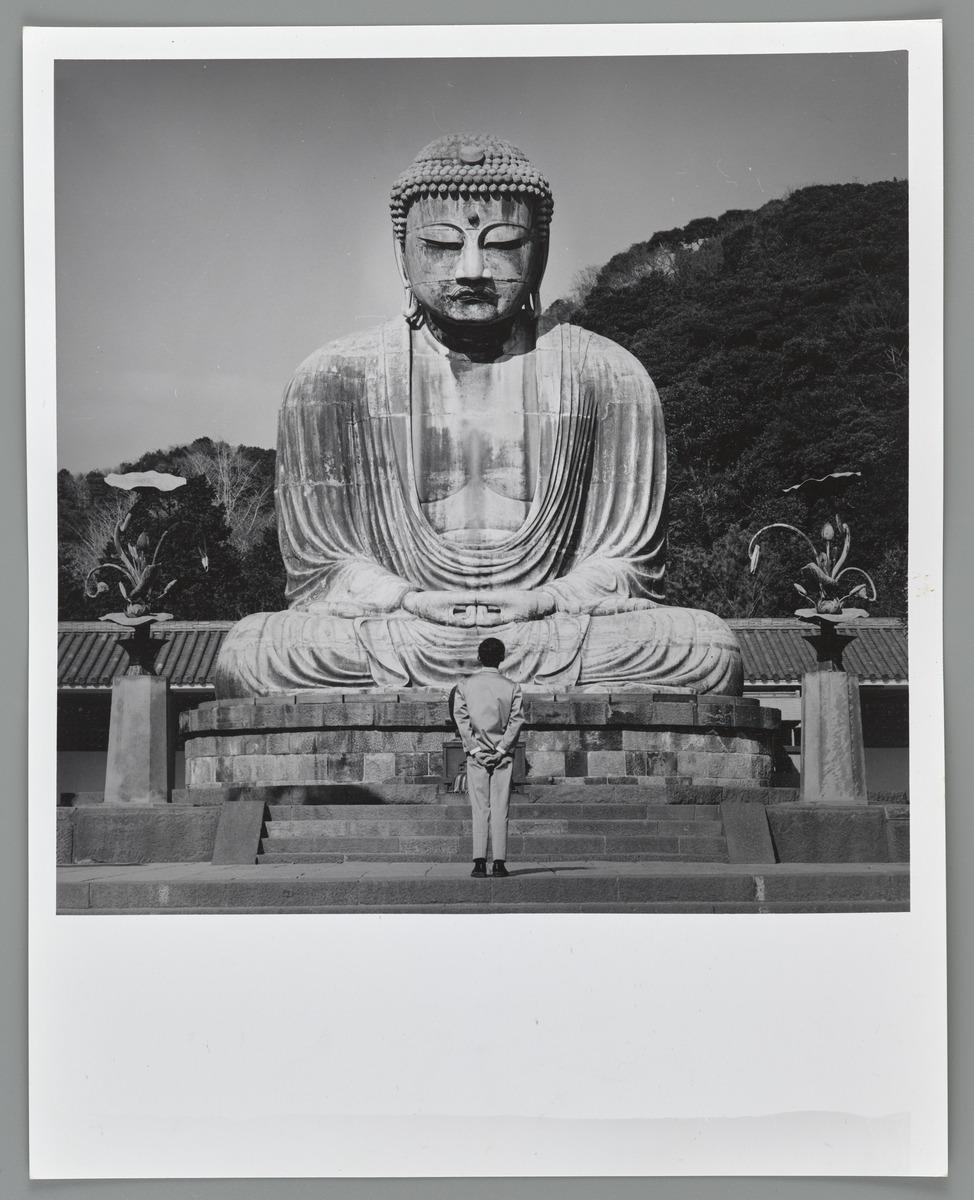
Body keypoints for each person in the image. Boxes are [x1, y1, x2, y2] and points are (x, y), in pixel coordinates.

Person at [214, 132, 742, 697]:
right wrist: (411, 600)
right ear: (403, 252)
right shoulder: (332, 379)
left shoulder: (608, 374)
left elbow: (627, 564)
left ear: (537, 250)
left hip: (548, 625)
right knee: (251, 652)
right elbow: (324, 571)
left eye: (502, 244)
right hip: (405, 626)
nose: (471, 270)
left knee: (707, 648)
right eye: (441, 245)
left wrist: (546, 599)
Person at [452, 638, 524, 877]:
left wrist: (474, 749)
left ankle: (479, 862)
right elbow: (516, 722)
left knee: (480, 808)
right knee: (501, 807)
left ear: (479, 657)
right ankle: (500, 862)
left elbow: (461, 721)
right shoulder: (512, 687)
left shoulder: (464, 686)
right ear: (502, 658)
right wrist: (502, 749)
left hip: (477, 756)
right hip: (502, 755)